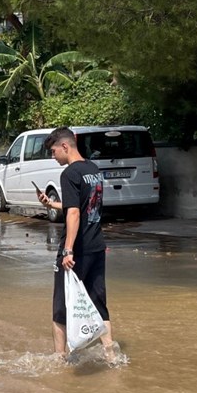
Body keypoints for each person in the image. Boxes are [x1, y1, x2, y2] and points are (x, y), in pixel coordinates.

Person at [37, 127, 116, 359]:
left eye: (53, 152)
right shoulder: (92, 169)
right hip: (96, 247)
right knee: (98, 301)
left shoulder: (69, 173)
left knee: (60, 306)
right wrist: (51, 204)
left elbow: (74, 214)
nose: (53, 157)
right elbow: (83, 205)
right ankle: (112, 355)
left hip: (76, 250)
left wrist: (68, 250)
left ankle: (60, 359)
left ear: (65, 146)